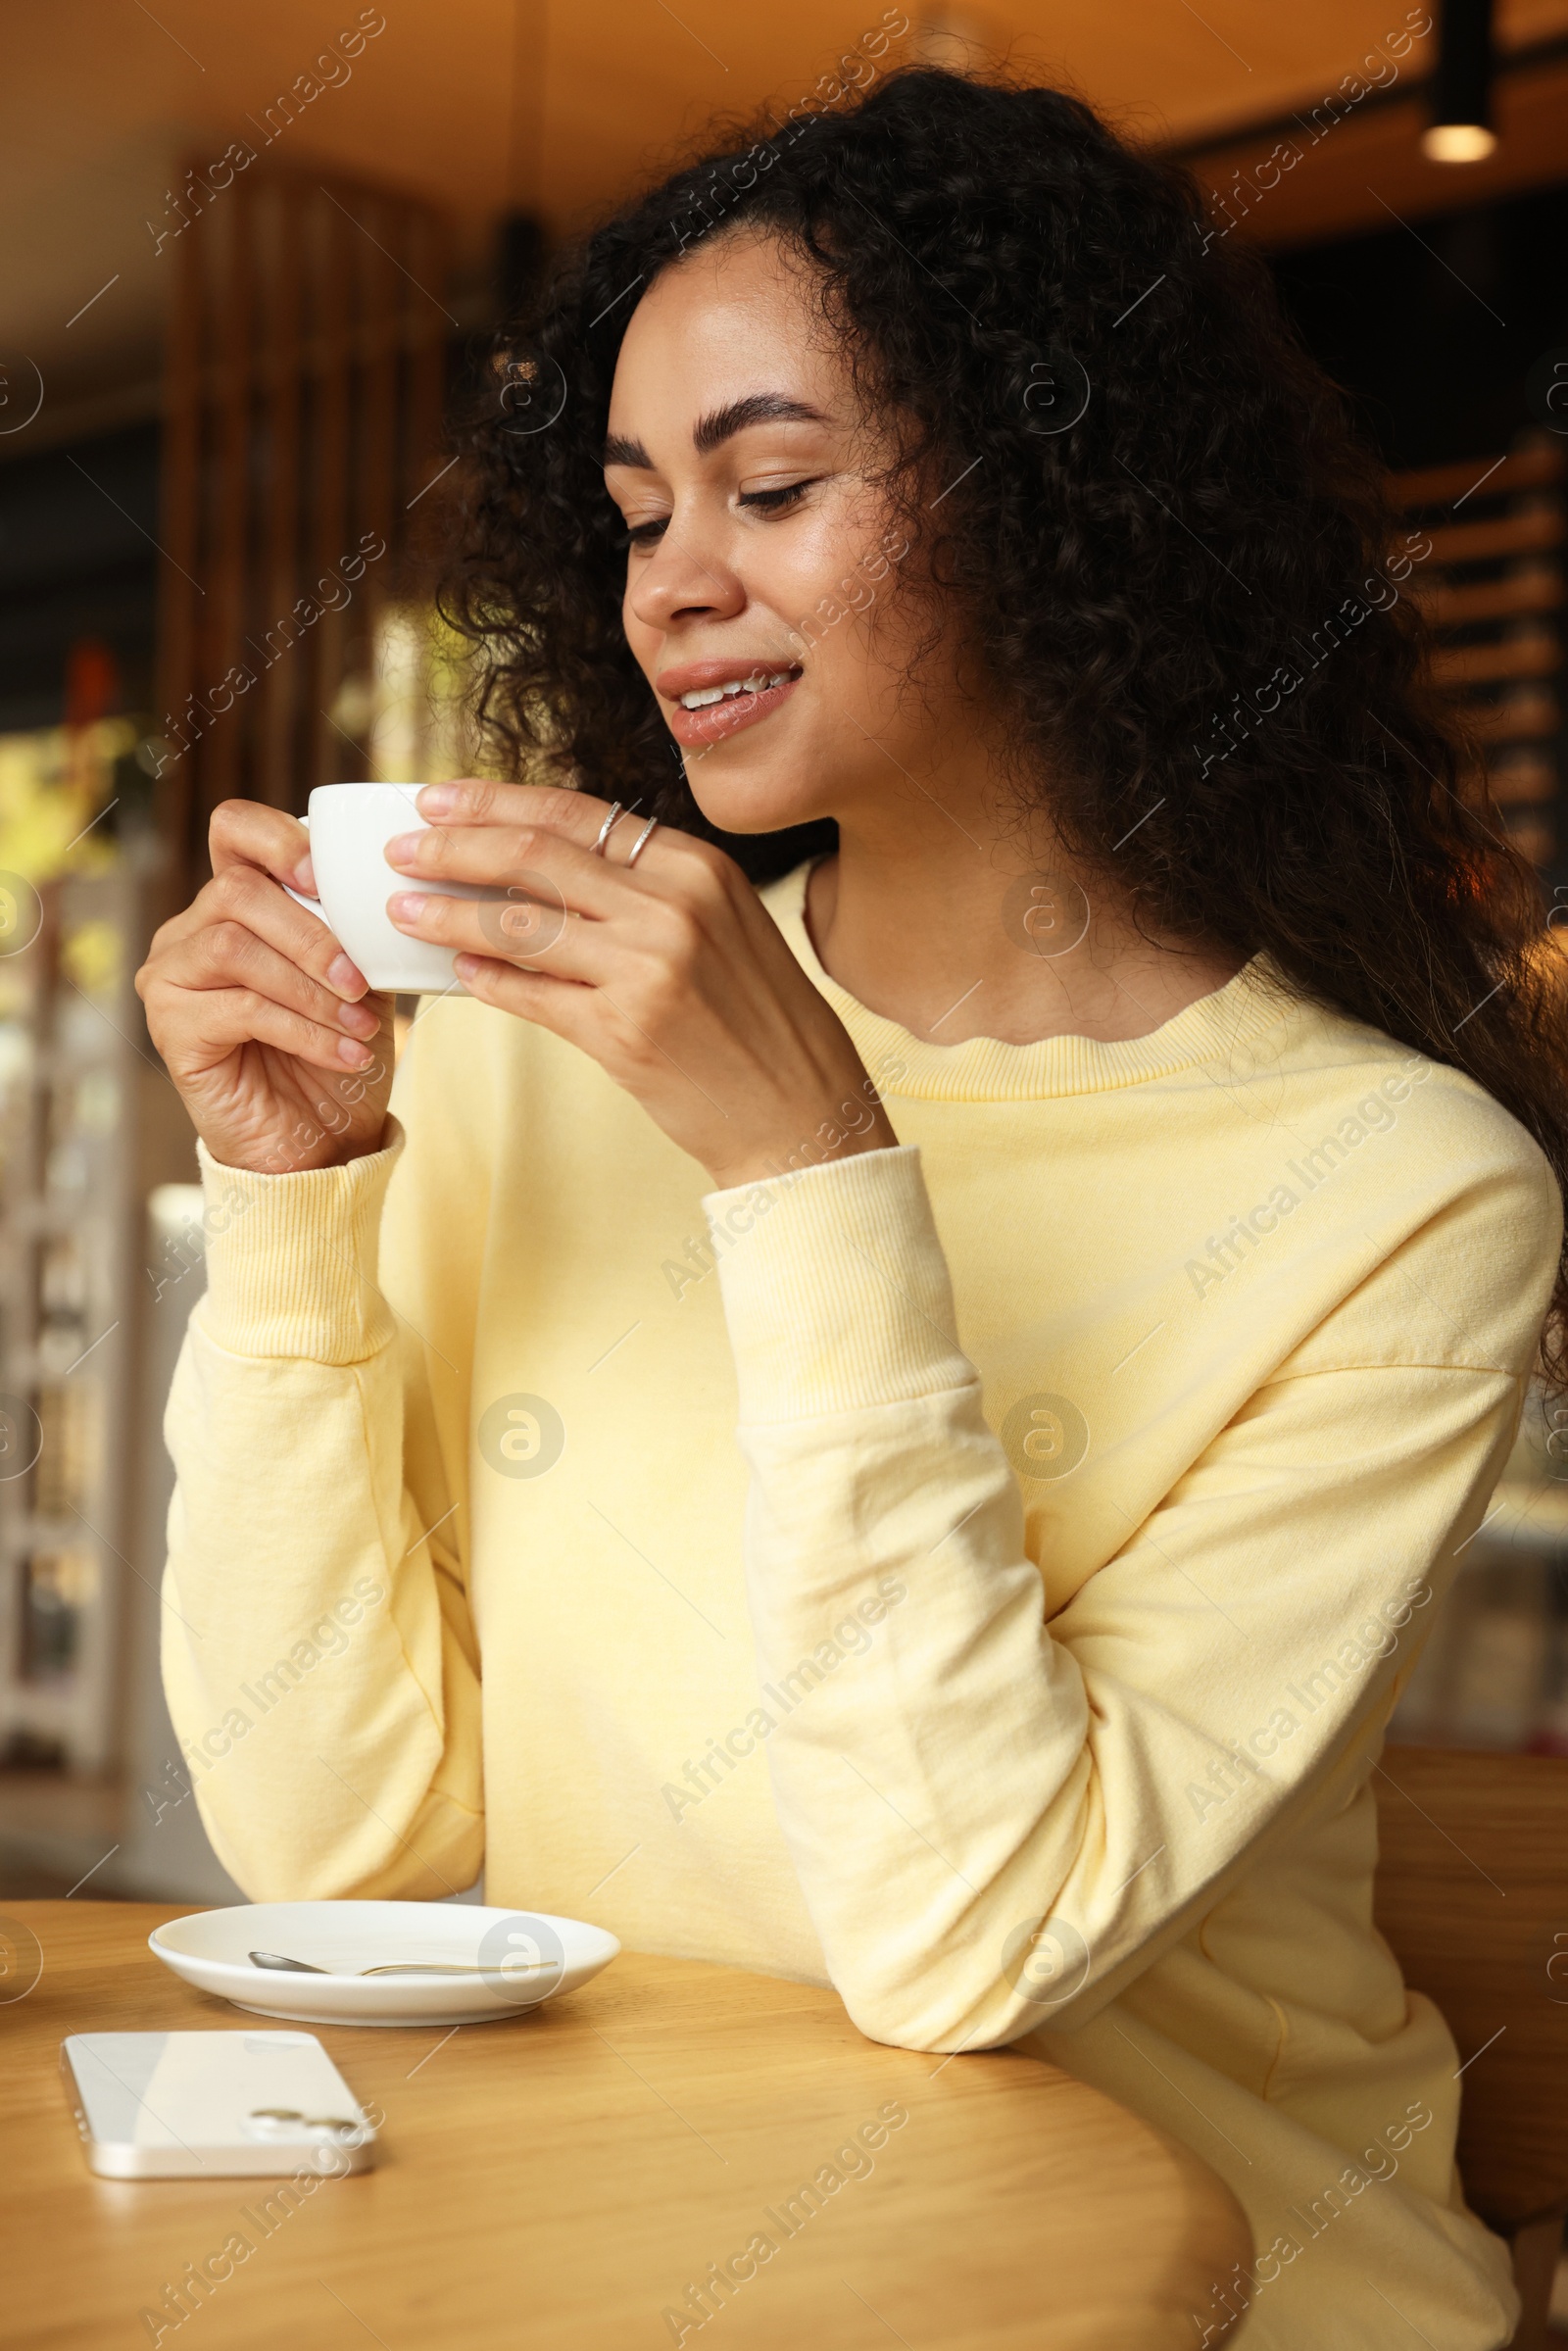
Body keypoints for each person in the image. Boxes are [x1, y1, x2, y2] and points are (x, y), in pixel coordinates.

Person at [136, 66, 1567, 2351]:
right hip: (678, 2263)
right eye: (628, 516)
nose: (673, 580)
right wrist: (291, 1201)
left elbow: (961, 1941)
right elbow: (337, 1850)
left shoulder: (1401, 1198)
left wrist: (809, 1171)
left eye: (772, 484)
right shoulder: (523, 1053)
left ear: (1047, 489)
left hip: (1211, 2300)